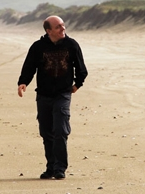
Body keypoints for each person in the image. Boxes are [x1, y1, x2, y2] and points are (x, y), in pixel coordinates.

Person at [17, 15, 88, 179]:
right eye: (58, 27)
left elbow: (81, 69)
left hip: (62, 94)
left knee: (60, 131)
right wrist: (23, 83)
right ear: (49, 31)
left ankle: (60, 168)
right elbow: (29, 67)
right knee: (46, 132)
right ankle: (50, 167)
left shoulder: (71, 45)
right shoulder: (38, 47)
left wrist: (77, 85)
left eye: (63, 25)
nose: (63, 28)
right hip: (43, 95)